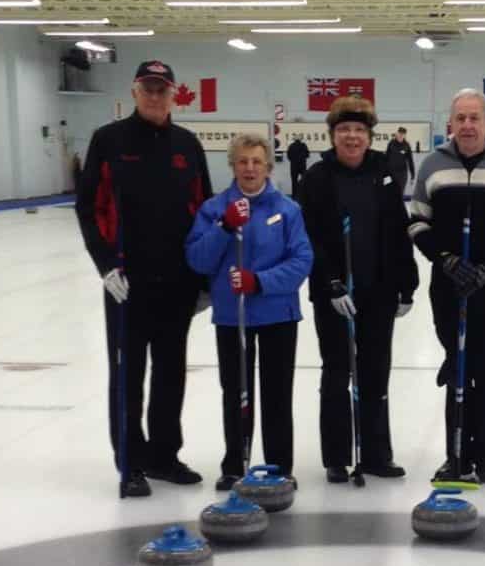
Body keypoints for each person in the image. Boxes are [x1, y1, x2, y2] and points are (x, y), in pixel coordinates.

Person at [76, 59, 213, 497]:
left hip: (177, 283)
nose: (155, 96)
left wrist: (204, 277)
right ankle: (130, 463)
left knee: (171, 372)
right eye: (148, 88)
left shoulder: (187, 145)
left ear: (175, 94)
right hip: (126, 282)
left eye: (163, 89)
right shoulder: (109, 140)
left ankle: (164, 456)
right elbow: (89, 207)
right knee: (128, 373)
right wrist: (105, 266)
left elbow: (204, 212)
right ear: (135, 92)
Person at [409, 88, 485, 484]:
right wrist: (444, 259)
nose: (467, 125)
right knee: (457, 366)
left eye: (474, 118)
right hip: (447, 285)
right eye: (460, 118)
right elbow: (416, 221)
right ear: (451, 122)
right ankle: (456, 456)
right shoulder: (433, 165)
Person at [299, 96, 419, 483]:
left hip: (378, 290)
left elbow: (399, 232)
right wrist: (329, 283)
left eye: (359, 131)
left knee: (374, 370)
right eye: (344, 130)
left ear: (369, 136)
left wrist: (407, 284)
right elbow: (309, 237)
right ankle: (337, 455)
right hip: (335, 294)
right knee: (337, 371)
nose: (352, 137)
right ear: (333, 135)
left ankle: (375, 454)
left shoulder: (383, 171)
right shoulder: (317, 177)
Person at [186, 133, 313, 491]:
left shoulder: (287, 210)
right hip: (232, 316)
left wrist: (259, 281)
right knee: (235, 390)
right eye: (242, 161)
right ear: (232, 166)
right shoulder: (214, 209)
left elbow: (302, 261)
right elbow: (197, 259)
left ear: (269, 167)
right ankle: (234, 462)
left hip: (278, 314)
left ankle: (278, 465)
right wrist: (225, 227)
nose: (250, 168)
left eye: (257, 161)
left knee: (276, 392)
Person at [385, 126, 415, 198]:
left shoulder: (406, 145)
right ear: (397, 133)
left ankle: (398, 208)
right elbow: (386, 157)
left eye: (402, 134)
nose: (400, 135)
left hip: (402, 173)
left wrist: (412, 175)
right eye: (399, 133)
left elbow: (410, 160)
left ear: (404, 135)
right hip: (391, 172)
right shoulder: (391, 143)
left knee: (400, 193)